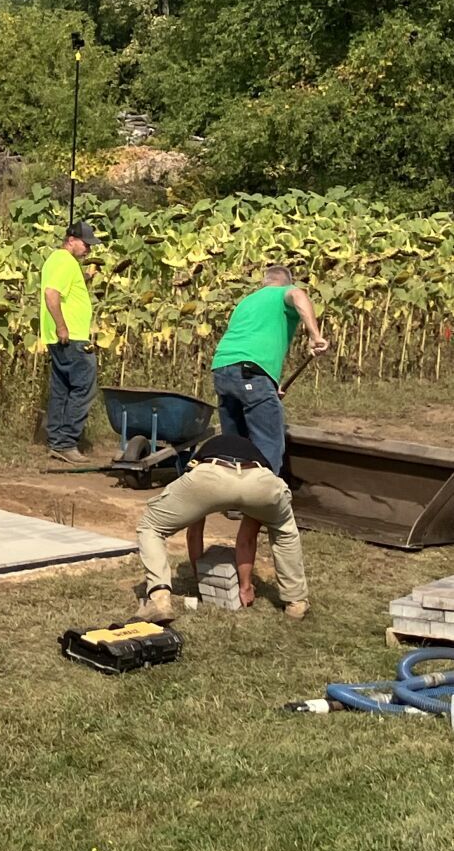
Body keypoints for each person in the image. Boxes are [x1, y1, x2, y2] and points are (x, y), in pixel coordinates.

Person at [210, 264, 328, 603]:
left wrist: (267, 386)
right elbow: (299, 296)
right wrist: (314, 335)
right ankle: (269, 509)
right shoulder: (284, 293)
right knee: (268, 449)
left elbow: (248, 346)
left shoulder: (246, 302)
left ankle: (232, 502)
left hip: (224, 371)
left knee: (235, 446)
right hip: (251, 372)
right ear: (282, 283)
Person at [134, 433, 309, 623]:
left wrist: (199, 575)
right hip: (258, 482)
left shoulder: (197, 461)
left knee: (151, 526)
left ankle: (159, 600)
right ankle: (296, 601)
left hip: (211, 474)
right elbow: (246, 540)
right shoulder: (259, 458)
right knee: (284, 532)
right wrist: (246, 586)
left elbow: (194, 533)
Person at [39, 221, 100, 464]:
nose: (88, 250)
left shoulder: (58, 261)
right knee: (84, 388)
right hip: (71, 337)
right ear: (71, 240)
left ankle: (56, 440)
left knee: (62, 388)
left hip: (60, 338)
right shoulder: (65, 261)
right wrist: (63, 326)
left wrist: (84, 277)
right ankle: (66, 442)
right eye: (86, 244)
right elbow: (51, 294)